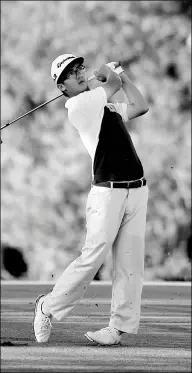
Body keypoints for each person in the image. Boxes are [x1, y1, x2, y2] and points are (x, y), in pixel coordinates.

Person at [33, 53, 149, 346]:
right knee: (92, 258)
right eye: (72, 73)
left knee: (129, 262)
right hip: (107, 193)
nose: (80, 73)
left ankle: (117, 329)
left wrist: (123, 78)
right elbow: (108, 86)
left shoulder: (105, 105)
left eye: (80, 68)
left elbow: (140, 106)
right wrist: (110, 75)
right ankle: (48, 306)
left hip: (136, 190)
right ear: (63, 88)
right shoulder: (79, 106)